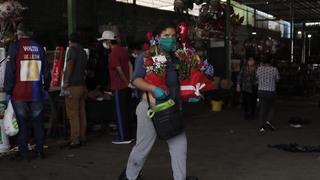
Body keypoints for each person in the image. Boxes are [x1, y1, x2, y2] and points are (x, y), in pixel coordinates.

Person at [119, 22, 197, 180]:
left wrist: (191, 93)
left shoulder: (176, 58)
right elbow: (136, 80)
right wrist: (153, 89)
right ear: (157, 38)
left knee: (179, 145)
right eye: (166, 36)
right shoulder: (148, 56)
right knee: (143, 146)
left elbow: (179, 82)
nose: (170, 39)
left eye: (173, 36)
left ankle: (180, 178)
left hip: (171, 109)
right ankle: (130, 176)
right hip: (152, 108)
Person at [4, 22, 51, 160]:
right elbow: (46, 72)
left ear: (18, 33)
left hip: (19, 94)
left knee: (22, 124)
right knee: (38, 123)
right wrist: (46, 88)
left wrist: (8, 90)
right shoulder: (39, 47)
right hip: (37, 93)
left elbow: (10, 71)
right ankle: (40, 151)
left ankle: (24, 153)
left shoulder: (15, 47)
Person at [98, 30, 134, 144]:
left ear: (109, 41)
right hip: (126, 86)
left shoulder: (113, 54)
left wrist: (126, 82)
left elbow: (118, 69)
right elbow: (129, 65)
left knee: (120, 113)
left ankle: (124, 138)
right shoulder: (122, 50)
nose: (104, 44)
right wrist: (130, 80)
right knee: (126, 112)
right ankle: (129, 135)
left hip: (119, 86)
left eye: (104, 41)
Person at [62, 32, 88, 148]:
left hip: (73, 86)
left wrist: (66, 81)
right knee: (81, 112)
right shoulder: (83, 51)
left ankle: (75, 139)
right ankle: (82, 137)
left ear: (70, 41)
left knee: (73, 114)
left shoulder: (71, 50)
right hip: (82, 85)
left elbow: (70, 65)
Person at [256, 55, 280, 133]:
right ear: (271, 61)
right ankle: (268, 121)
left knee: (262, 108)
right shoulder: (274, 69)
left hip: (261, 91)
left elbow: (257, 78)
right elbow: (277, 79)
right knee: (272, 106)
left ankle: (261, 127)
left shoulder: (259, 69)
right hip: (271, 91)